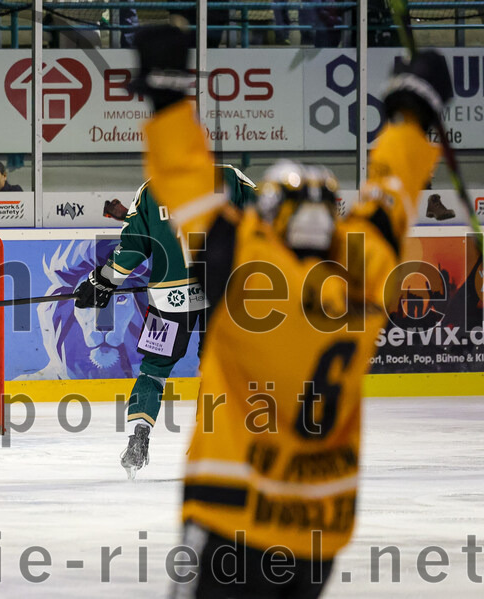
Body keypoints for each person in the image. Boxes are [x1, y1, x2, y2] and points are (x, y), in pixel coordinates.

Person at [130, 21, 452, 597]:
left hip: (232, 516)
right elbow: (390, 198)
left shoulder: (241, 264)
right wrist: (412, 117)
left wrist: (168, 97)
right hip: (318, 531)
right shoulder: (365, 270)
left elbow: (185, 183)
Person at [74, 164, 257, 479]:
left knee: (154, 370)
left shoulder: (151, 188)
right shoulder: (230, 177)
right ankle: (210, 445)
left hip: (168, 298)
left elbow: (133, 247)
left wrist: (103, 280)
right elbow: (265, 224)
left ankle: (139, 435)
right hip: (222, 294)